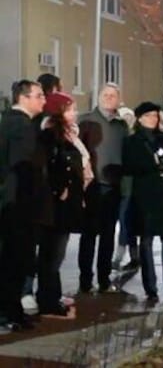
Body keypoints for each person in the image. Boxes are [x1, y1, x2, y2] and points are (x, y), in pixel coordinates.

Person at [35, 91, 92, 318]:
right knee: (51, 253)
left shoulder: (69, 136)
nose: (74, 113)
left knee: (57, 254)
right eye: (70, 109)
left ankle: (52, 296)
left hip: (68, 205)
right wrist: (60, 189)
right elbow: (49, 169)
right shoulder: (50, 137)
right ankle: (47, 299)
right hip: (55, 206)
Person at [123, 102, 163, 304]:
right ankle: (151, 289)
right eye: (148, 116)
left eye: (155, 116)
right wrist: (152, 164)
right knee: (146, 243)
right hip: (144, 196)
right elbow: (129, 165)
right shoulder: (132, 141)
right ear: (139, 118)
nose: (153, 119)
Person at [0, 80, 45, 331]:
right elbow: (24, 167)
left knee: (12, 259)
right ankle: (9, 313)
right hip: (18, 204)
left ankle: (12, 310)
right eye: (38, 96)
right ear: (23, 98)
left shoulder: (8, 122)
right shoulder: (22, 126)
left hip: (11, 201)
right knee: (14, 260)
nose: (43, 100)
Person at [78, 83, 129, 294]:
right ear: (99, 97)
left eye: (113, 96)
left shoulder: (122, 126)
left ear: (118, 100)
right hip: (93, 186)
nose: (109, 98)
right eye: (105, 95)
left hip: (114, 188)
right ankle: (85, 280)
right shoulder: (86, 121)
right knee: (89, 234)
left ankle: (104, 278)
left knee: (108, 234)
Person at [112, 106, 140, 273]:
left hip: (130, 189)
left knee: (127, 223)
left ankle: (123, 256)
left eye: (130, 118)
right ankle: (129, 255)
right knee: (125, 222)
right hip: (123, 188)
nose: (128, 121)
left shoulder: (133, 140)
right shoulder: (122, 140)